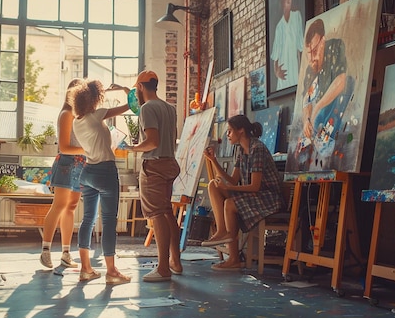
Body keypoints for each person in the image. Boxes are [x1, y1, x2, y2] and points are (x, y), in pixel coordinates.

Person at [120, 70, 182, 282]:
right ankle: (175, 261)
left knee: (157, 215)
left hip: (154, 166)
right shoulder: (169, 108)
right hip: (170, 163)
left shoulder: (147, 108)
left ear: (139, 87)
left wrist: (133, 148)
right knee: (167, 213)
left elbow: (152, 141)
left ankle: (163, 268)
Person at [201, 115, 284, 271]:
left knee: (230, 204)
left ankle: (233, 259)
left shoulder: (256, 149)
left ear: (241, 130)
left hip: (268, 197)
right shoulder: (241, 150)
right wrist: (214, 160)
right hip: (254, 195)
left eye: (230, 131)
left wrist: (229, 189)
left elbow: (255, 186)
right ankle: (221, 231)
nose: (228, 135)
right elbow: (233, 180)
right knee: (213, 185)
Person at [70, 79, 131, 285]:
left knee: (87, 220)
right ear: (95, 99)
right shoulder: (97, 115)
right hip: (105, 171)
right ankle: (112, 271)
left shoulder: (76, 121)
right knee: (109, 222)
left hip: (87, 172)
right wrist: (125, 90)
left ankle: (86, 269)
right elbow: (133, 106)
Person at [294, 18, 353, 171]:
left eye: (314, 51)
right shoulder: (310, 67)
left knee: (349, 83)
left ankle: (325, 140)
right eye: (308, 53)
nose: (312, 57)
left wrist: (317, 107)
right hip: (318, 112)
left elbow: (341, 80)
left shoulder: (335, 46)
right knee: (301, 151)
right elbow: (306, 99)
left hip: (332, 102)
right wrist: (307, 119)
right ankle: (310, 148)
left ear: (323, 41)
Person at [39, 78, 86, 269]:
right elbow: (65, 147)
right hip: (67, 163)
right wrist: (87, 149)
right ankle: (45, 251)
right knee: (58, 206)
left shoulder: (79, 115)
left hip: (80, 164)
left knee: (71, 207)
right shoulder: (67, 114)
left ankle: (66, 253)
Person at [270, 0, 304, 92]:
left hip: (295, 69)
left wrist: (301, 71)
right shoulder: (279, 27)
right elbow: (275, 55)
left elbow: (301, 47)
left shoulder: (297, 16)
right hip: (284, 73)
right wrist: (276, 72)